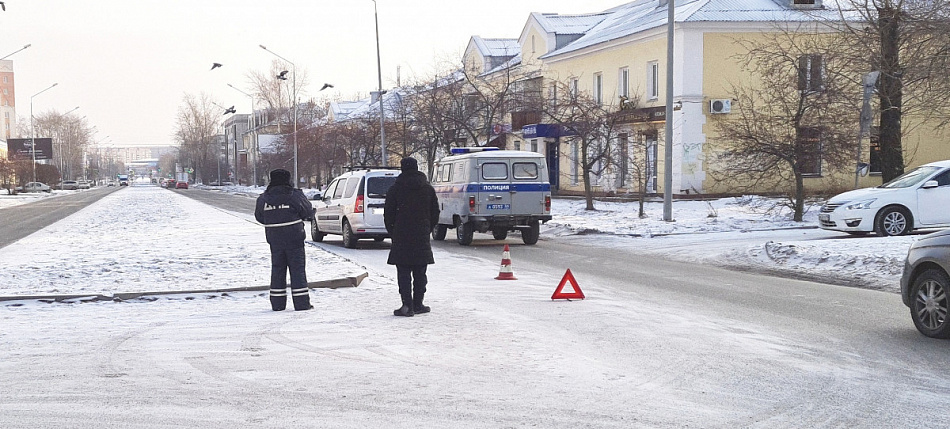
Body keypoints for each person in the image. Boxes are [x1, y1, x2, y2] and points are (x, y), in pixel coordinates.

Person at [384, 157, 440, 317]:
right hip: (421, 235)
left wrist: (393, 232)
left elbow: (388, 214)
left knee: (403, 272)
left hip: (401, 235)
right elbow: (435, 213)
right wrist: (427, 228)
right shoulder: (427, 189)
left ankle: (407, 306)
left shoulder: (395, 189)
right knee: (420, 272)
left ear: (402, 169)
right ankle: (418, 303)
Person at [255, 169, 314, 311]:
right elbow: (307, 211)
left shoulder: (263, 198)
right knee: (297, 270)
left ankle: (277, 304)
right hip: (294, 238)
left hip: (274, 239)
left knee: (277, 270)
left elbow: (259, 216)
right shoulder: (295, 195)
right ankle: (301, 304)